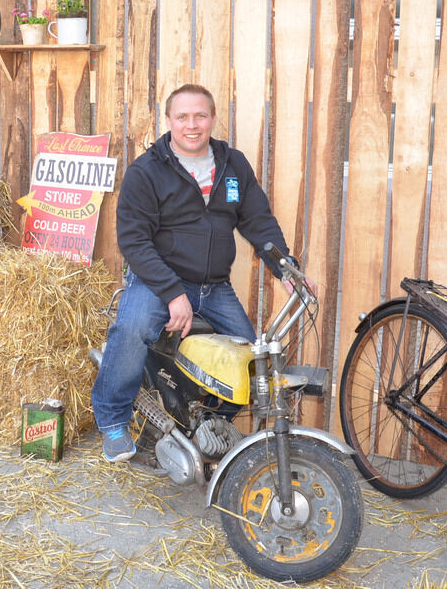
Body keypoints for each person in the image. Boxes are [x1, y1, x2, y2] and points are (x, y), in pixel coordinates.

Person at [91, 83, 305, 463]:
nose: (192, 125)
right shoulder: (147, 171)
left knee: (249, 361)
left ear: (213, 119)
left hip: (214, 287)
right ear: (169, 120)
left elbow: (257, 219)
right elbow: (134, 241)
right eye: (183, 117)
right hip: (157, 282)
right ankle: (112, 421)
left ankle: (206, 426)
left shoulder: (232, 163)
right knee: (133, 329)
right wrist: (173, 294)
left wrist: (285, 267)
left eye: (200, 116)